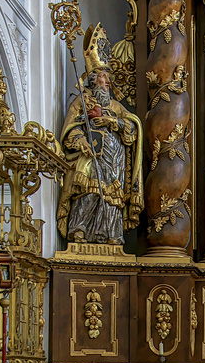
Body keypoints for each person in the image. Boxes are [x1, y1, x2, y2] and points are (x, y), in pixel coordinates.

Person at [57, 25, 144, 246]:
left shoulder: (115, 106)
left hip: (115, 160)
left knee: (112, 199)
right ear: (92, 78)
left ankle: (110, 234)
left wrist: (113, 121)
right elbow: (71, 128)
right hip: (92, 155)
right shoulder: (81, 102)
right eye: (102, 77)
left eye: (107, 77)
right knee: (89, 191)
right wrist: (81, 140)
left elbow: (133, 126)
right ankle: (79, 230)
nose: (106, 82)